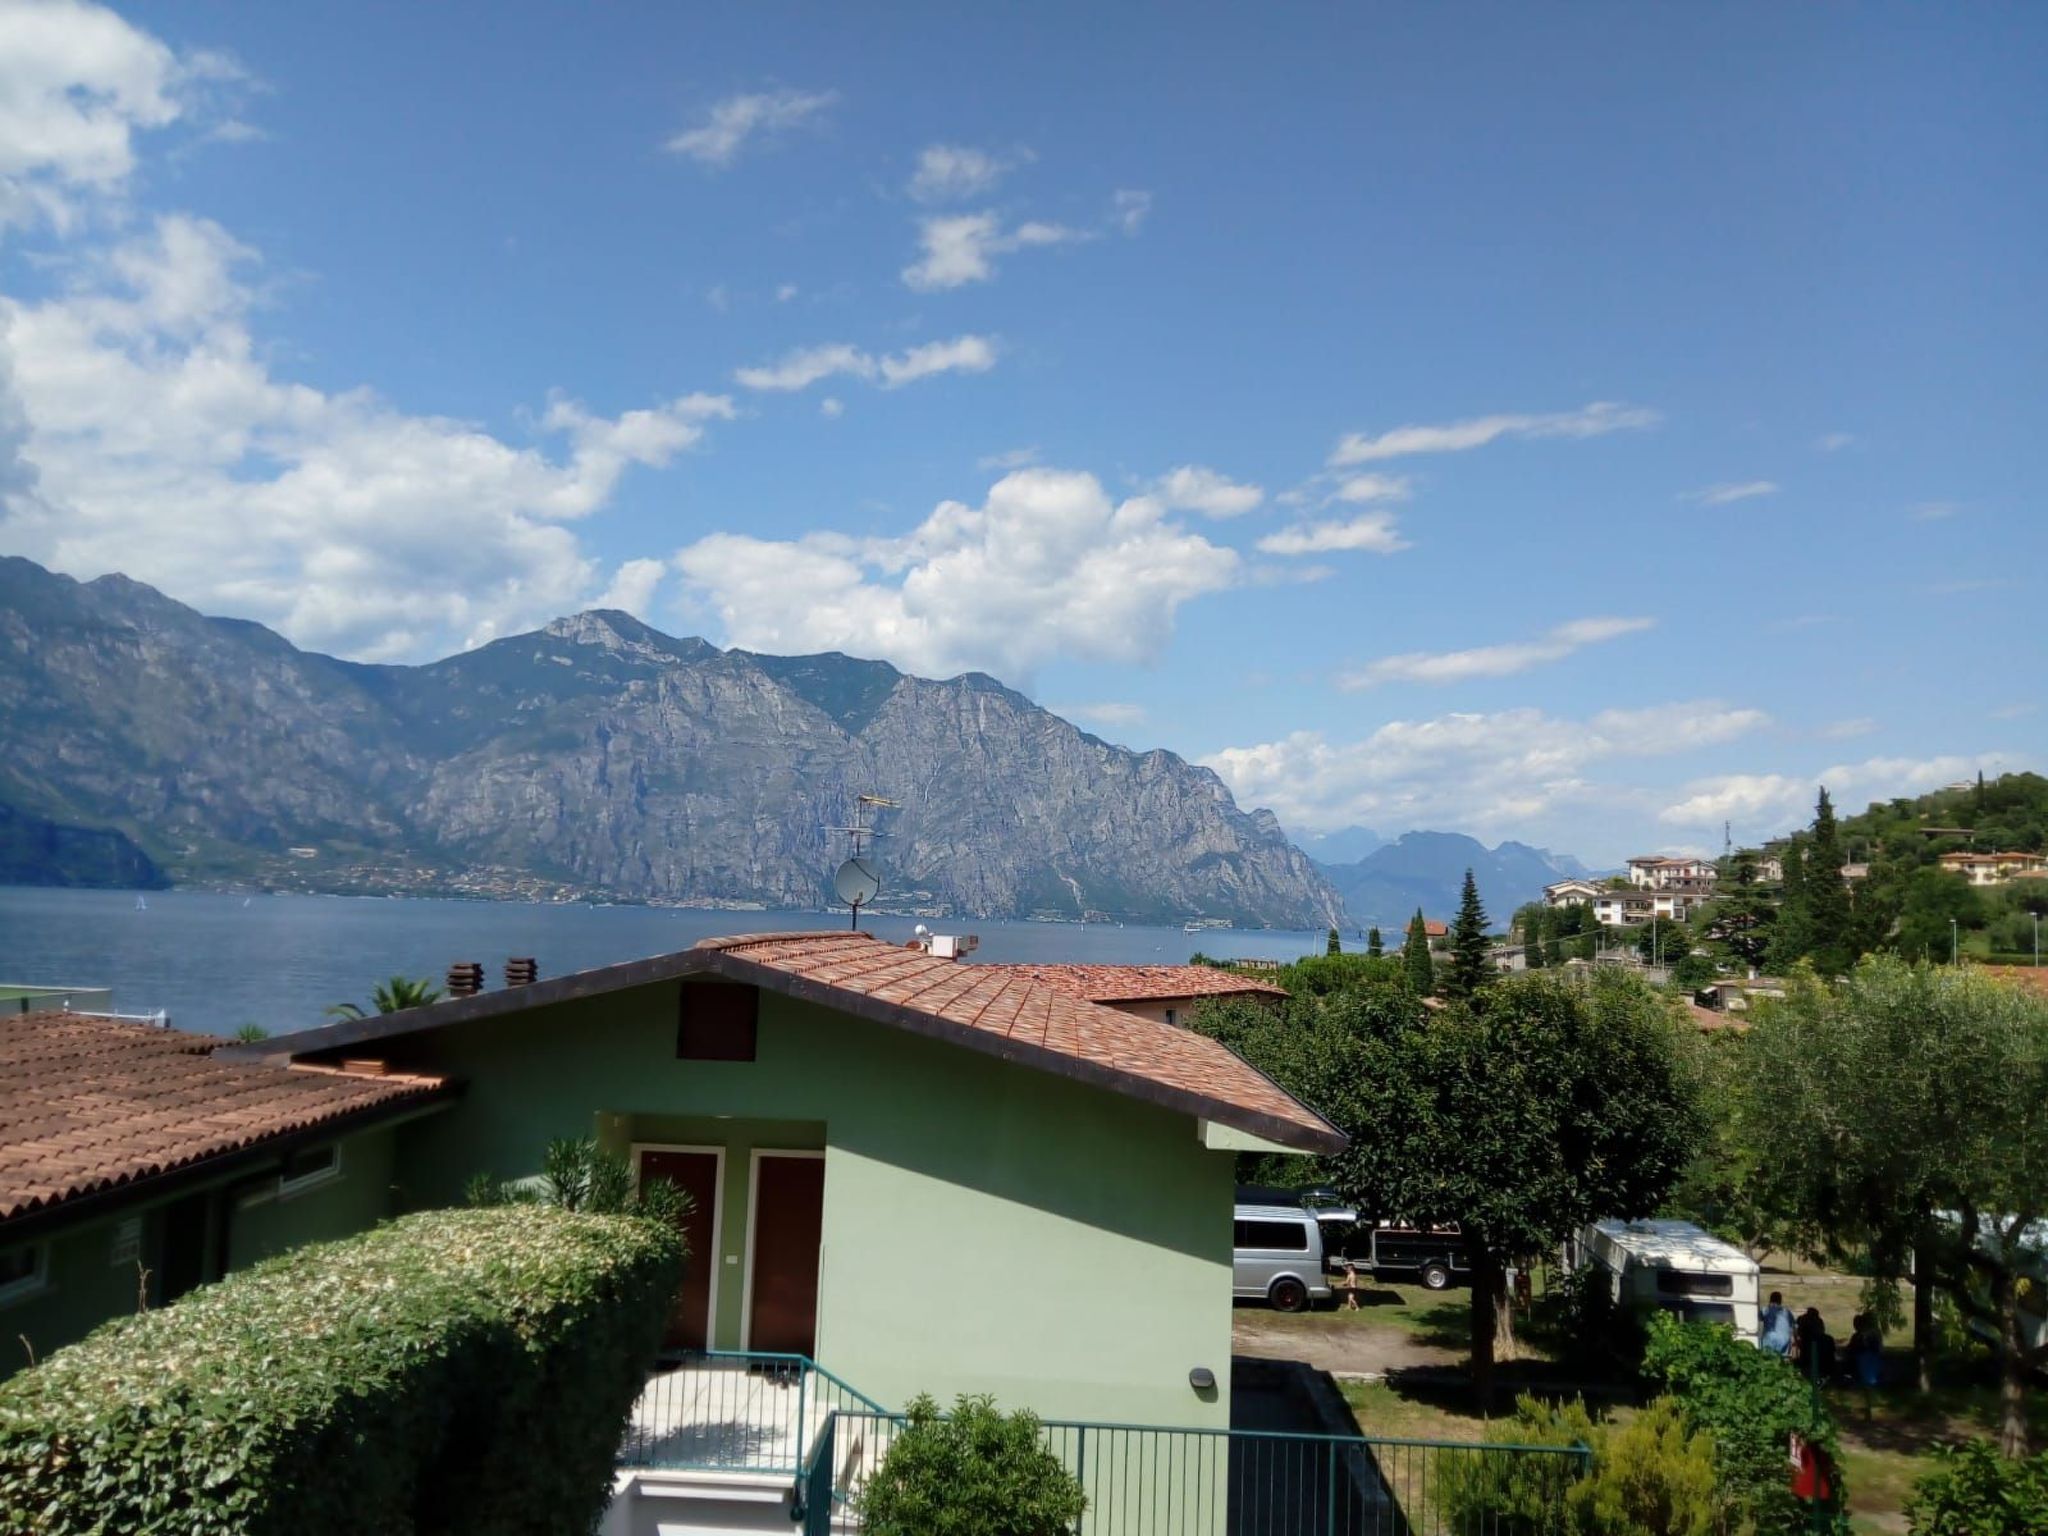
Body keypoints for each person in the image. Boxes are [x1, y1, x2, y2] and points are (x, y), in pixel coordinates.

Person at [1760, 1290, 1794, 1356]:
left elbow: (1756, 1318)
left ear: (1770, 1300)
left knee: (1766, 1358)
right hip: (1785, 1340)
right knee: (1781, 1361)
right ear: (1780, 1301)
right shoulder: (1787, 1312)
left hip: (1770, 1338)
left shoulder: (1766, 1310)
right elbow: (1793, 1326)